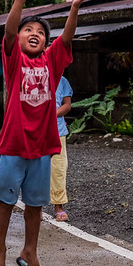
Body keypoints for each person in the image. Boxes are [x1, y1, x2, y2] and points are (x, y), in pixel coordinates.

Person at [0, 0, 96, 266]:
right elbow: (7, 33)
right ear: (19, 38)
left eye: (40, 31)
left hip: (43, 147)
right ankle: (0, 253)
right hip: (13, 145)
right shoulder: (14, 60)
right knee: (4, 201)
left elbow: (67, 36)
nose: (34, 33)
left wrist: (74, 7)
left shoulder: (51, 60)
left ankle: (30, 252)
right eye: (28, 29)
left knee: (35, 205)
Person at [51, 75, 73, 221]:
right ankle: (35, 207)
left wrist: (51, 115)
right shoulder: (33, 76)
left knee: (58, 169)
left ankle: (59, 206)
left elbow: (67, 105)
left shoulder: (62, 80)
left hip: (57, 131)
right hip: (36, 132)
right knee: (36, 170)